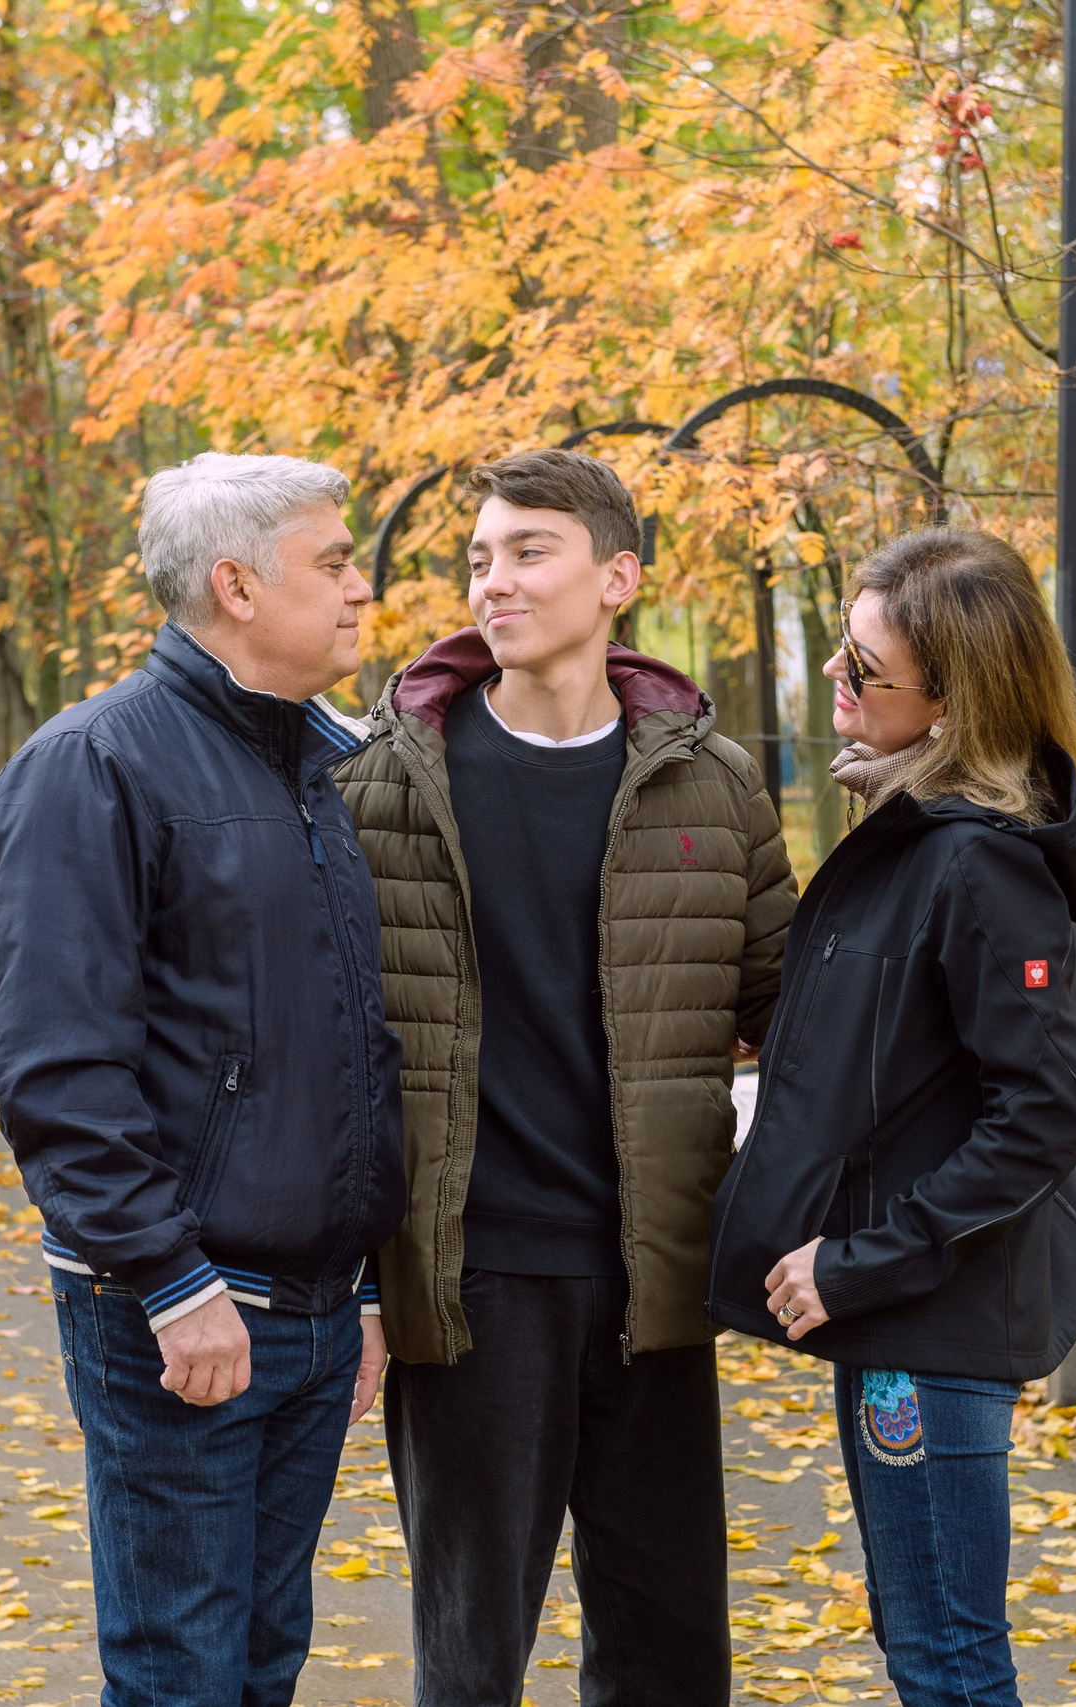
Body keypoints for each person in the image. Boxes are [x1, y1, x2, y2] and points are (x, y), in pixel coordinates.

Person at [335, 447, 797, 1707]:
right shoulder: (382, 782)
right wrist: (355, 1279)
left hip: (656, 1279)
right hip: (469, 1280)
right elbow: (328, 1039)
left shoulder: (713, 782)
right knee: (471, 1658)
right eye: (478, 558)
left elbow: (790, 1020)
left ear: (617, 579)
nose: (493, 581)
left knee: (668, 1656)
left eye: (528, 552)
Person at [0, 452, 404, 1707]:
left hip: (310, 1317)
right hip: (183, 1317)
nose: (361, 589)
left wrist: (360, 1286)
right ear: (236, 585)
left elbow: (340, 1043)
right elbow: (57, 1069)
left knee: (262, 1667)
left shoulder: (311, 768)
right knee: (182, 1676)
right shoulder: (94, 765)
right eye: (334, 563)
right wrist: (170, 1282)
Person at [708, 527, 1076, 1707]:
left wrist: (860, 1261)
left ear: (951, 702)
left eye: (863, 670)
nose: (834, 683)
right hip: (901, 1318)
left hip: (929, 1326)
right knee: (922, 1638)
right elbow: (906, 1048)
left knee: (947, 1656)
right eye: (842, 655)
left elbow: (1042, 1113)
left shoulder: (981, 865)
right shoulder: (912, 837)